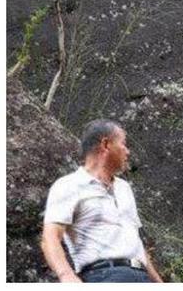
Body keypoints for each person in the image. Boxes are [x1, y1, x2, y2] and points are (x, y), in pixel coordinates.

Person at [41, 119, 164, 283]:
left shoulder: (124, 188)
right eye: (123, 144)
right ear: (106, 144)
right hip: (102, 276)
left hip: (141, 276)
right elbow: (50, 237)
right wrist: (67, 276)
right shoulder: (68, 185)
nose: (127, 152)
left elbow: (136, 243)